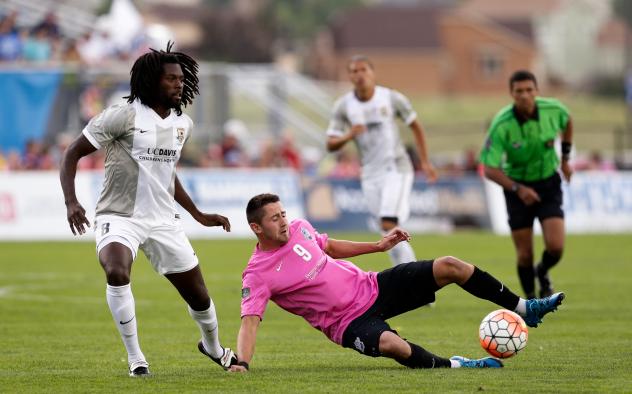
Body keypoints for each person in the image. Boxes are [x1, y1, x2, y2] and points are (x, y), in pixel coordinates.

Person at [227, 193, 565, 372]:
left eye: (283, 213)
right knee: (394, 347)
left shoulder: (300, 227)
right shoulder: (257, 274)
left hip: (374, 286)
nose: (284, 222)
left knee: (450, 266)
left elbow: (328, 246)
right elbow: (250, 323)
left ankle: (526, 308)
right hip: (348, 323)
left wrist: (378, 246)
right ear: (258, 228)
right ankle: (459, 365)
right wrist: (242, 363)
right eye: (275, 218)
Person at [59, 42, 238, 377]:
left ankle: (213, 347)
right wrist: (71, 201)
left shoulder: (183, 125)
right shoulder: (121, 116)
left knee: (199, 298)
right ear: (152, 81)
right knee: (116, 271)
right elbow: (71, 153)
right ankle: (136, 358)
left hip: (162, 221)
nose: (179, 84)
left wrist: (198, 215)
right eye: (171, 79)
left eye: (181, 79)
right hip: (119, 215)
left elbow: (167, 175)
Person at [326, 55, 438, 267]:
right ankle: (412, 278)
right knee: (386, 232)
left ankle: (413, 281)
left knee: (389, 224)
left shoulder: (391, 98)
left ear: (372, 73)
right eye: (354, 71)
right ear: (349, 76)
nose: (359, 75)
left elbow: (416, 126)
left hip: (395, 168)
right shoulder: (343, 106)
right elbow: (330, 144)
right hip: (369, 173)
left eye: (364, 70)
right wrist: (349, 135)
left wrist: (425, 161)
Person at [480, 70, 573, 299]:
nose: (524, 95)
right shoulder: (502, 124)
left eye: (529, 90)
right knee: (524, 255)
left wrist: (565, 159)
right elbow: (489, 169)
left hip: (548, 182)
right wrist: (518, 189)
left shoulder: (553, 110)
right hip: (516, 187)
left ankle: (542, 272)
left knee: (556, 247)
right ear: (511, 93)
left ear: (537, 91)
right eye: (519, 91)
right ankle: (531, 301)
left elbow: (568, 121)